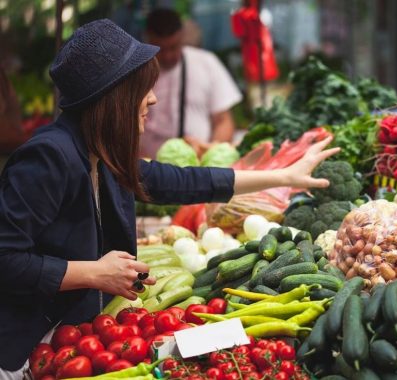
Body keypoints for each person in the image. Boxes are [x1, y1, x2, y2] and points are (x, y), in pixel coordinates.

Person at [0, 19, 337, 378]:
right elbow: (5, 257)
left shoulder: (102, 155)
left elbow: (185, 180)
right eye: (142, 88)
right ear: (114, 97)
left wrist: (284, 175)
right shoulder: (48, 158)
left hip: (71, 343)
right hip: (26, 352)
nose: (153, 98)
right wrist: (95, 273)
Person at [140, 8, 242, 159]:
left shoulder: (206, 63)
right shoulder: (137, 71)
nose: (168, 56)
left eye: (173, 47)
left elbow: (223, 121)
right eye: (160, 49)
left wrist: (210, 156)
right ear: (148, 39)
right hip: (147, 168)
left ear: (182, 36)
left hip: (198, 165)